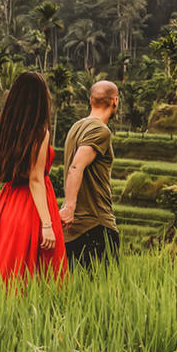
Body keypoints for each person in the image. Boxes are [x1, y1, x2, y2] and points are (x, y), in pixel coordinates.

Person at [0, 71, 67, 293]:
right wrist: (48, 225)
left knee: (5, 264)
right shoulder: (41, 132)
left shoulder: (8, 129)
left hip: (8, 204)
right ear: (41, 100)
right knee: (37, 273)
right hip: (32, 205)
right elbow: (36, 180)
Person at [58, 80, 120, 269]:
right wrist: (69, 207)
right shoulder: (101, 131)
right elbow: (76, 166)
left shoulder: (76, 128)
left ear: (91, 100)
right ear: (115, 102)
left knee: (75, 294)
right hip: (96, 225)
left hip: (72, 231)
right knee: (104, 294)